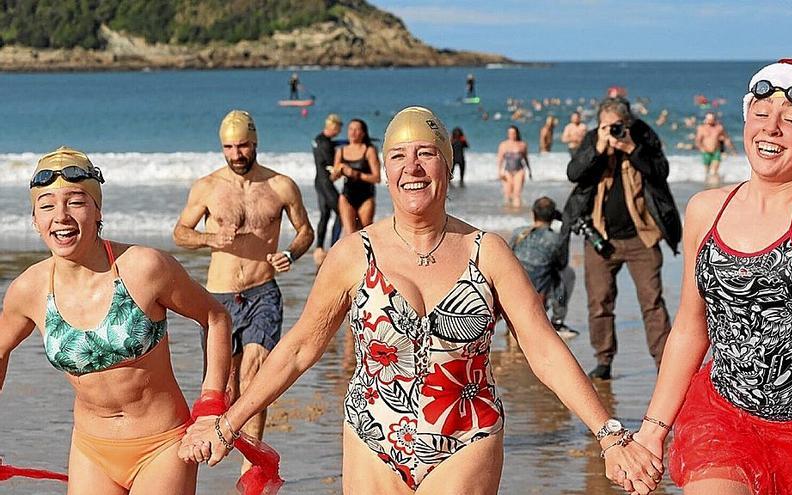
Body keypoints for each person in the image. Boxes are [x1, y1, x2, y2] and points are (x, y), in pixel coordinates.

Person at [180, 106, 664, 495]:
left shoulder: (487, 251)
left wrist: (610, 435)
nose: (412, 167)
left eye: (426, 154)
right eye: (398, 156)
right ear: (385, 171)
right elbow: (301, 348)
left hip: (467, 435)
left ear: (448, 167)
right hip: (372, 436)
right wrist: (227, 423)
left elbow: (542, 347)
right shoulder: (354, 254)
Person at [635, 15, 792, 493]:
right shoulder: (706, 209)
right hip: (723, 421)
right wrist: (652, 430)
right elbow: (690, 328)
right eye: (761, 112)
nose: (772, 127)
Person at [0, 146, 232, 493]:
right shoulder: (29, 289)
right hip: (91, 450)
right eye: (46, 205)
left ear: (97, 210)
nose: (60, 216)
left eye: (76, 201)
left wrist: (211, 406)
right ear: (35, 220)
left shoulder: (145, 268)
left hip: (162, 444)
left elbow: (215, 318)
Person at [172, 110, 314, 475]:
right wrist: (208, 238)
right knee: (228, 387)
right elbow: (180, 232)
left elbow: (305, 231)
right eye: (229, 147)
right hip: (217, 299)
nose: (236, 154)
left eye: (243, 146)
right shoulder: (207, 187)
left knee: (255, 375)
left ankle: (251, 469)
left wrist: (290, 254)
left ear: (256, 143)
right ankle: (230, 442)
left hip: (262, 291)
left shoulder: (281, 186)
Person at [567, 97, 682, 381]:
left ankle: (663, 363)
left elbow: (661, 172)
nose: (613, 130)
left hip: (642, 237)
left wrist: (632, 149)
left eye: (618, 126)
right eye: (607, 126)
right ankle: (603, 360)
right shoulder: (595, 139)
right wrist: (598, 150)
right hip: (601, 237)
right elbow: (574, 174)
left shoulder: (642, 136)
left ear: (627, 123)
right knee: (599, 303)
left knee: (652, 303)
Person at [509, 197, 577, 338]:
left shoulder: (518, 233)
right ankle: (557, 322)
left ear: (533, 213)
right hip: (538, 294)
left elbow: (508, 257)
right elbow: (562, 263)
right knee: (567, 273)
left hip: (512, 292)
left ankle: (511, 322)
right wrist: (565, 225)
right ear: (554, 216)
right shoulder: (556, 239)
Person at [331, 118, 382, 234]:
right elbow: (333, 177)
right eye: (350, 129)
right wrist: (337, 173)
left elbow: (377, 178)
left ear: (363, 133)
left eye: (357, 129)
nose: (353, 132)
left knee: (365, 233)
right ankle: (350, 252)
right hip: (347, 196)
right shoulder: (341, 151)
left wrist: (355, 174)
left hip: (366, 196)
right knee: (350, 234)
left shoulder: (369, 150)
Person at [313, 113, 344, 267]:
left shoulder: (318, 139)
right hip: (325, 182)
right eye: (338, 129)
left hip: (319, 181)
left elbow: (329, 145)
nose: (339, 132)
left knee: (325, 215)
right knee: (341, 212)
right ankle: (334, 246)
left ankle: (319, 247)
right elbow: (333, 165)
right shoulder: (326, 145)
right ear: (333, 127)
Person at [694, 112, 736, 187]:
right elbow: (698, 141)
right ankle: (707, 185)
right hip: (706, 152)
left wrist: (732, 150)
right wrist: (701, 148)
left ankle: (714, 186)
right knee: (707, 171)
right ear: (705, 119)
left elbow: (726, 139)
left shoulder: (719, 128)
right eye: (708, 119)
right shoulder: (701, 128)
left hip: (716, 152)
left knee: (713, 171)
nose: (710, 120)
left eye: (711, 119)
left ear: (714, 119)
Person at [496, 125, 530, 208]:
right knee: (508, 194)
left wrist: (530, 171)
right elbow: (500, 160)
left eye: (513, 133)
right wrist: (499, 172)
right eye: (510, 133)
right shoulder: (503, 145)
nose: (512, 135)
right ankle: (509, 212)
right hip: (507, 171)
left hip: (519, 171)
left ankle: (517, 212)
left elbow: (526, 159)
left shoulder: (522, 145)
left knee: (516, 194)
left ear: (517, 134)